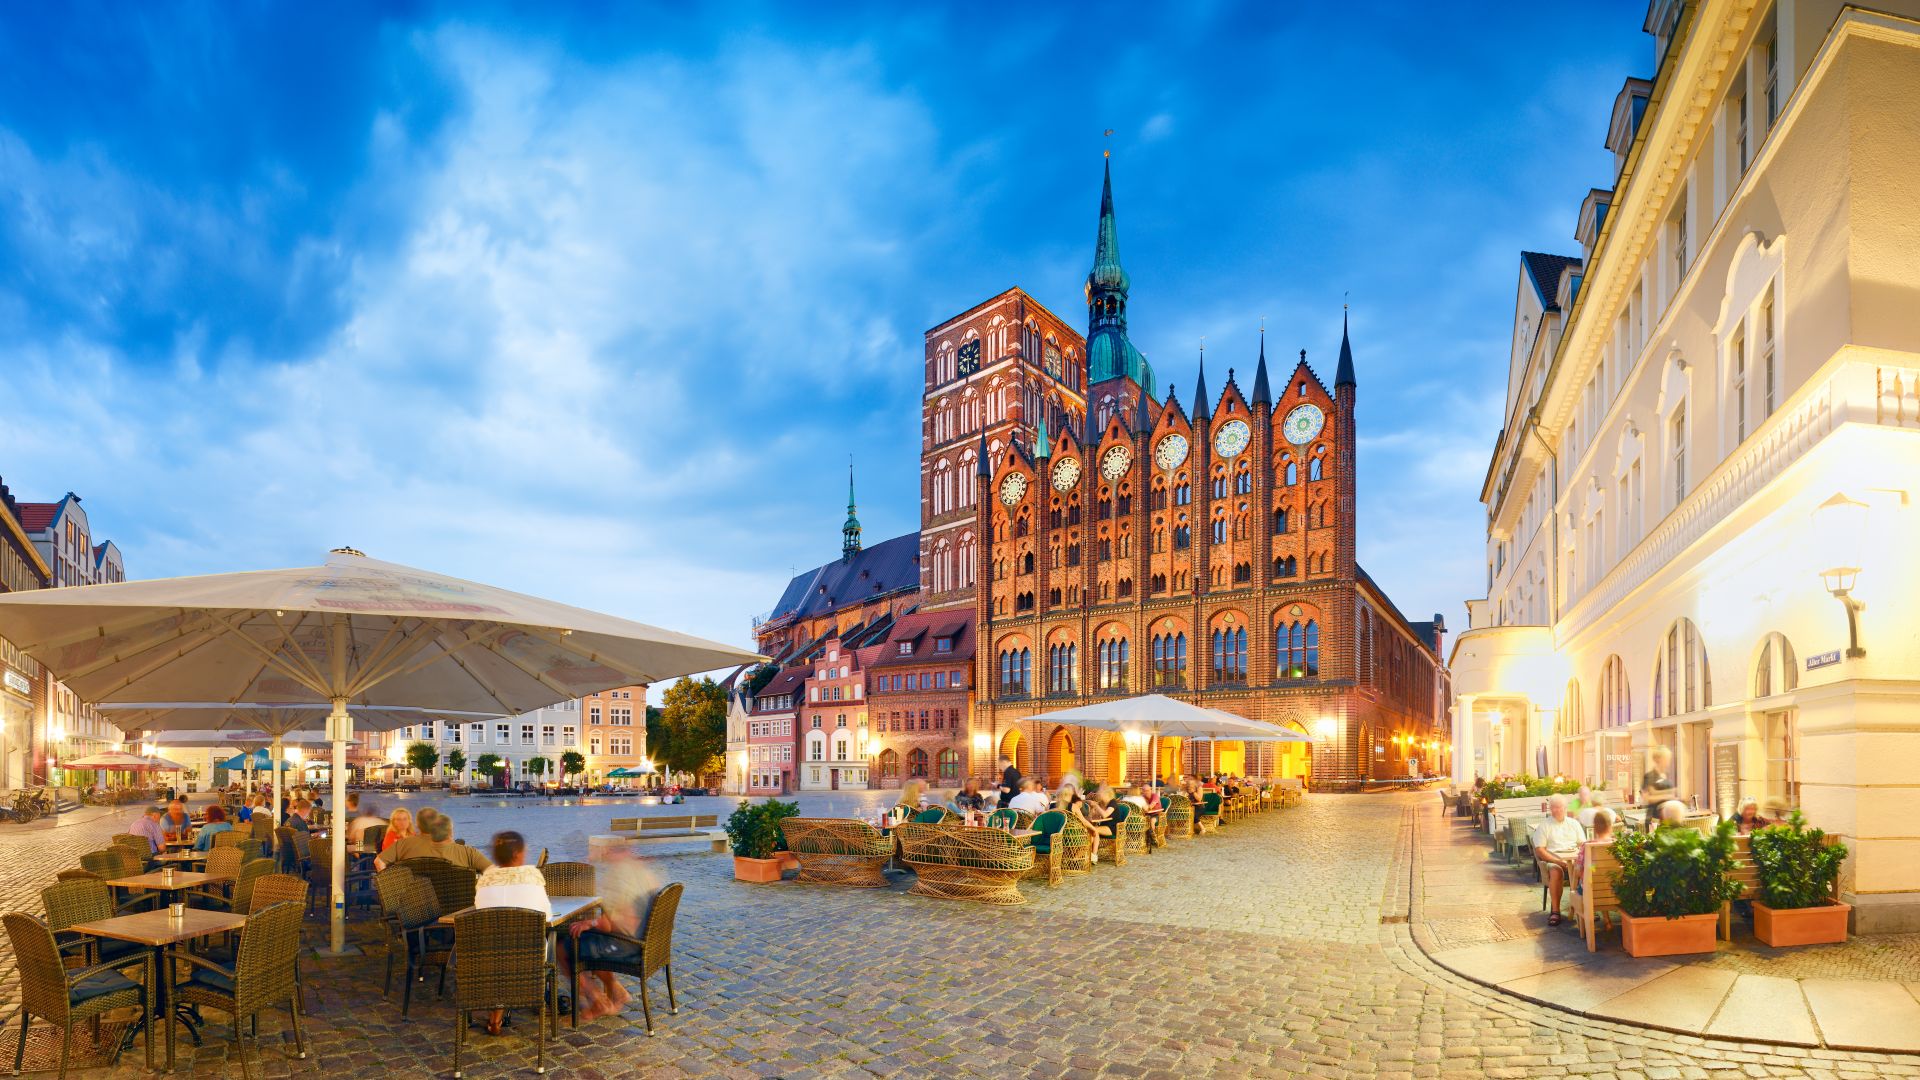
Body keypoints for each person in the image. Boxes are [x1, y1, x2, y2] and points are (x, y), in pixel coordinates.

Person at [474, 830, 551, 1036]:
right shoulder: (532, 877)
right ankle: (540, 997)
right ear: (518, 854)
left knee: (500, 945)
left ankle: (496, 1014)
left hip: (488, 959)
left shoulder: (484, 880)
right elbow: (548, 917)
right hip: (529, 958)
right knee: (547, 940)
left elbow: (479, 912)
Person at [1531, 794, 1589, 927]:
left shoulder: (1574, 823)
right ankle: (1555, 911)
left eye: (1559, 807)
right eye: (1553, 807)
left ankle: (1585, 907)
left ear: (1565, 808)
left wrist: (1579, 861)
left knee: (1588, 870)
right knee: (1556, 871)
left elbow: (1582, 845)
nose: (1556, 810)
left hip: (1573, 859)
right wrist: (1558, 862)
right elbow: (1540, 850)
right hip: (1554, 859)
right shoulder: (1545, 825)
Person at [377, 809, 492, 872]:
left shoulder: (403, 845)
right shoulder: (468, 852)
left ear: (417, 824)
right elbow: (493, 871)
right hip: (459, 908)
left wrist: (391, 888)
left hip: (414, 907)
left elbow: (379, 861)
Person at [1571, 809, 1617, 929]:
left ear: (1595, 828)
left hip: (1591, 891)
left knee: (1591, 880)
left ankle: (1586, 925)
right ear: (1610, 827)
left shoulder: (1587, 846)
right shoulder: (1618, 845)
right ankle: (1607, 920)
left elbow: (1578, 871)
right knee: (1602, 879)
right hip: (1615, 890)